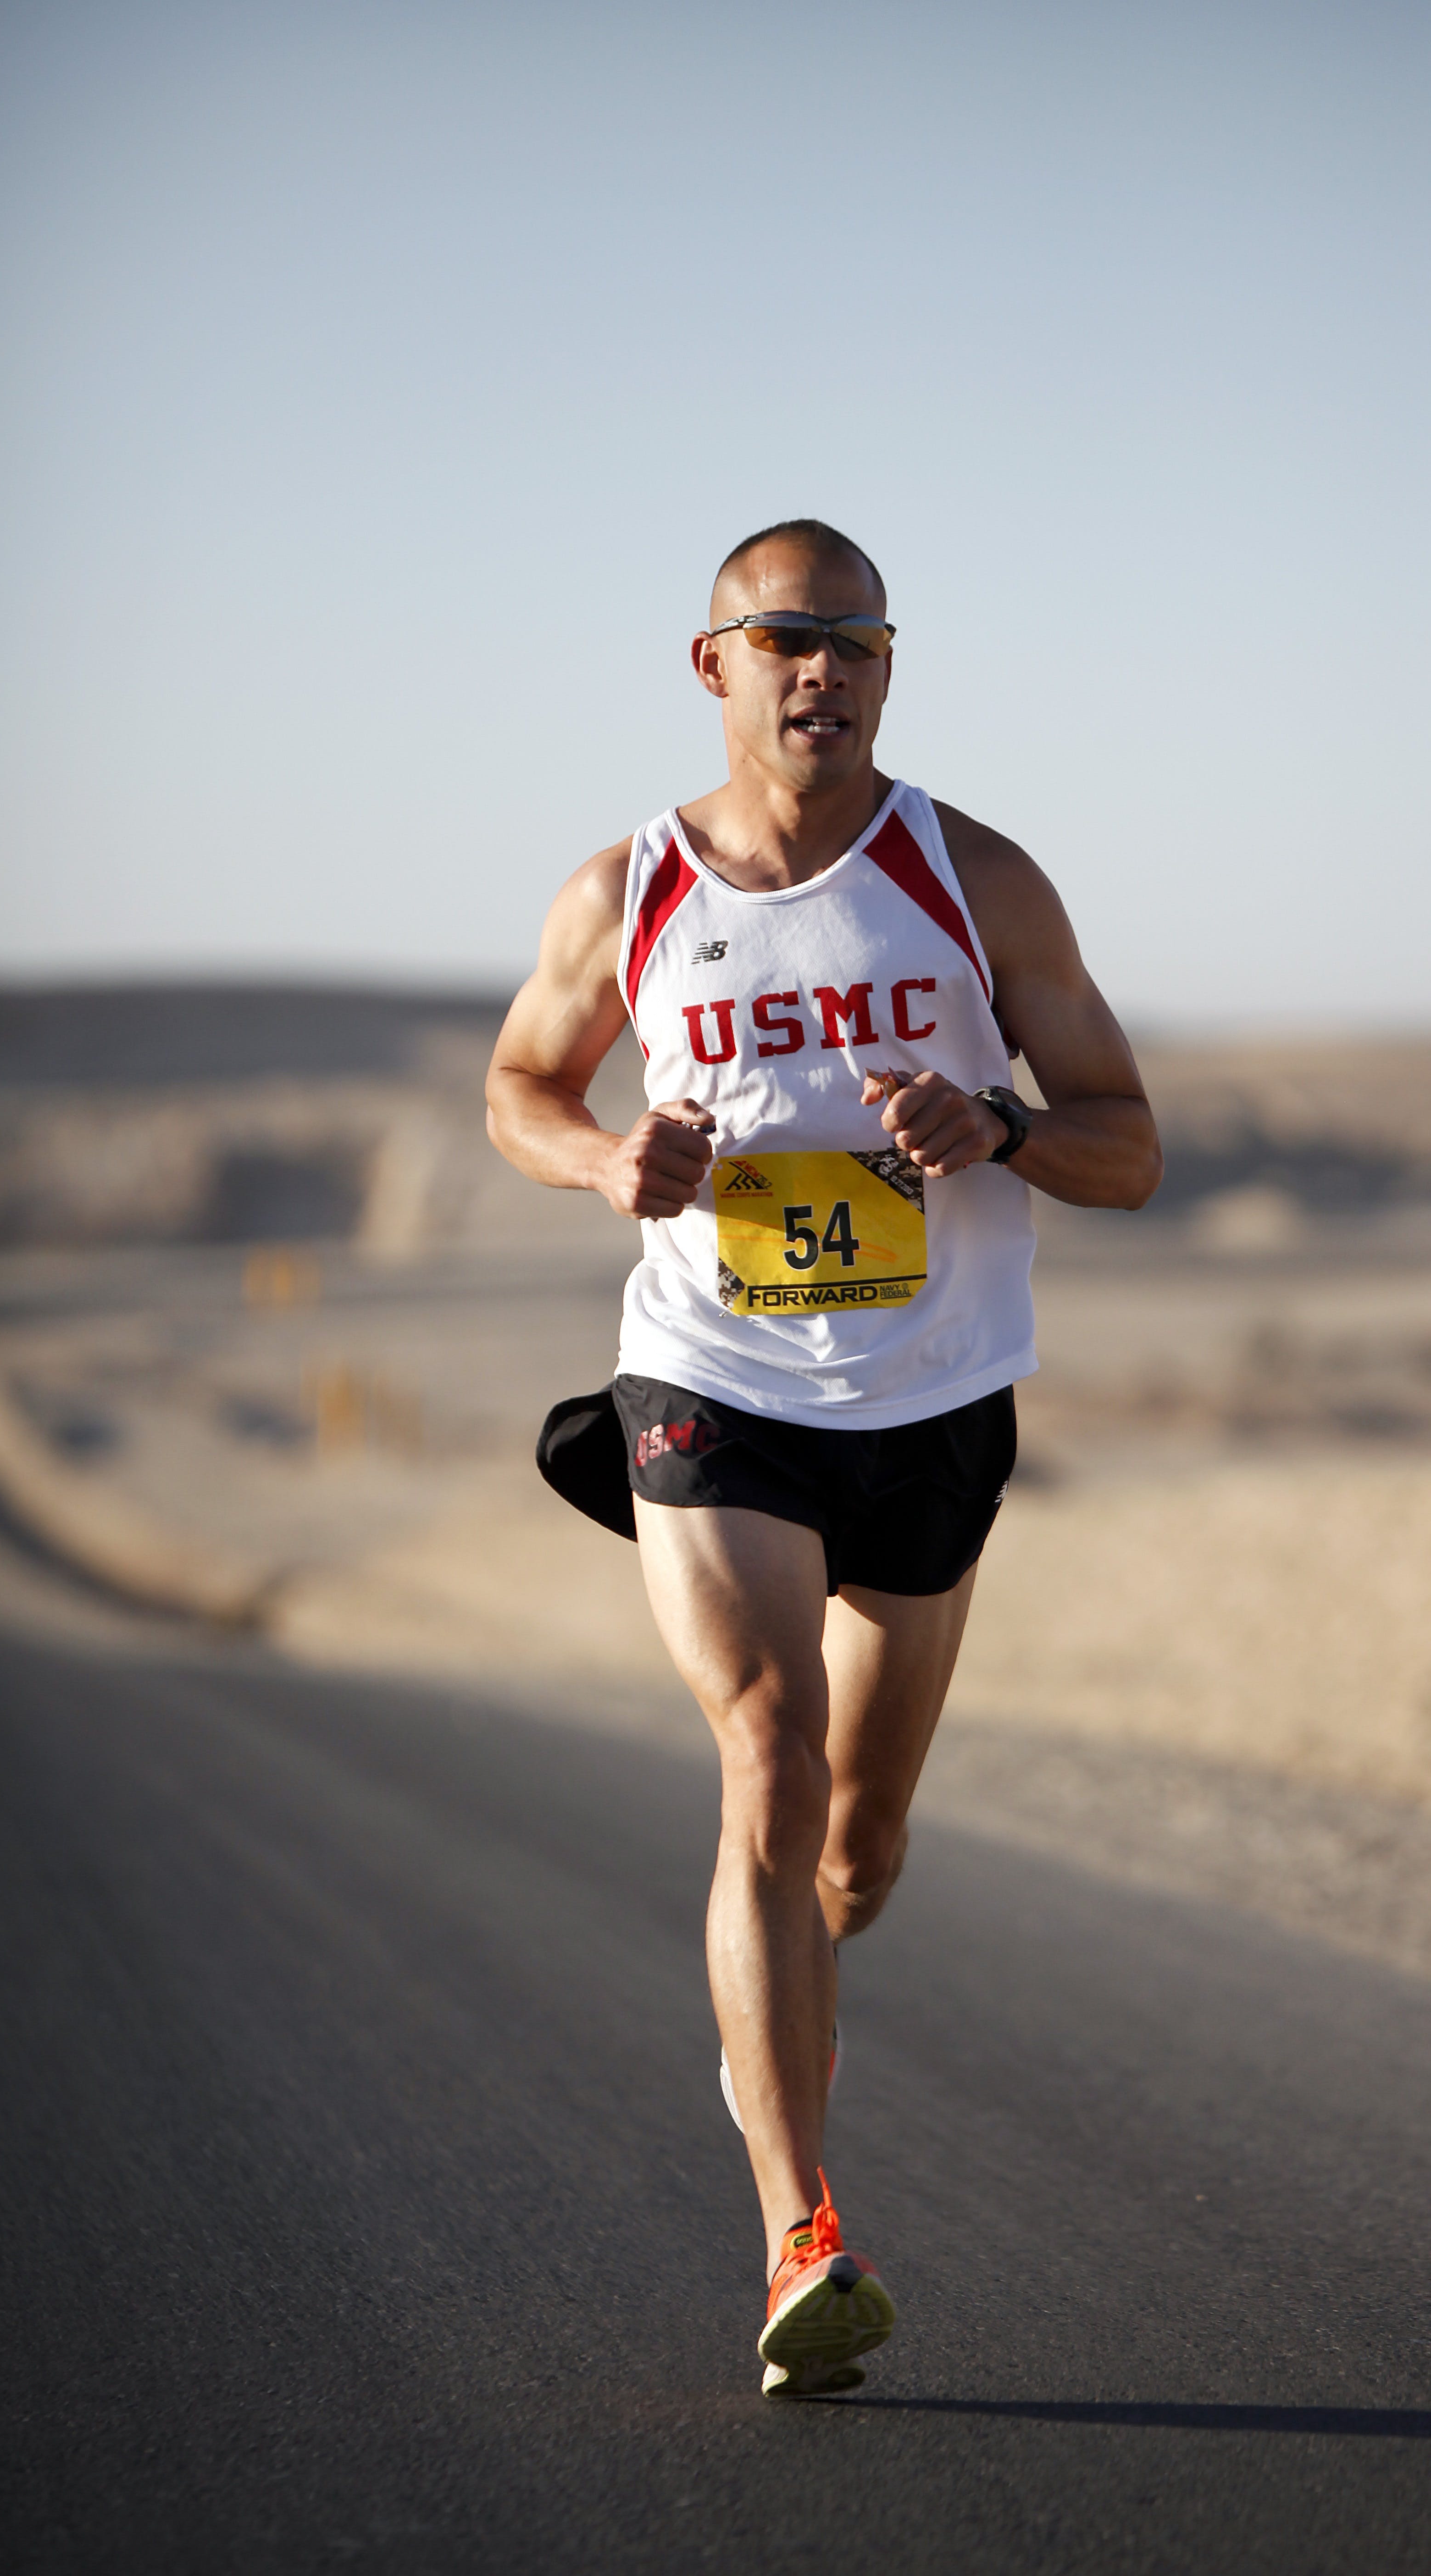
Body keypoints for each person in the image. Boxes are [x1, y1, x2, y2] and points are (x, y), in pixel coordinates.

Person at [484, 518, 1161, 2397]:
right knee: (765, 1755)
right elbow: (521, 1087)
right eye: (787, 638)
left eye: (858, 642)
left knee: (855, 1850)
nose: (825, 671)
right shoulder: (625, 892)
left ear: (888, 665)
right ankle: (804, 2233)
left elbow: (1130, 1145)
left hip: (933, 1408)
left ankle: (798, 1978)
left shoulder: (974, 881)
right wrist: (605, 1163)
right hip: (712, 1382)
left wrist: (1004, 1127)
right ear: (713, 665)